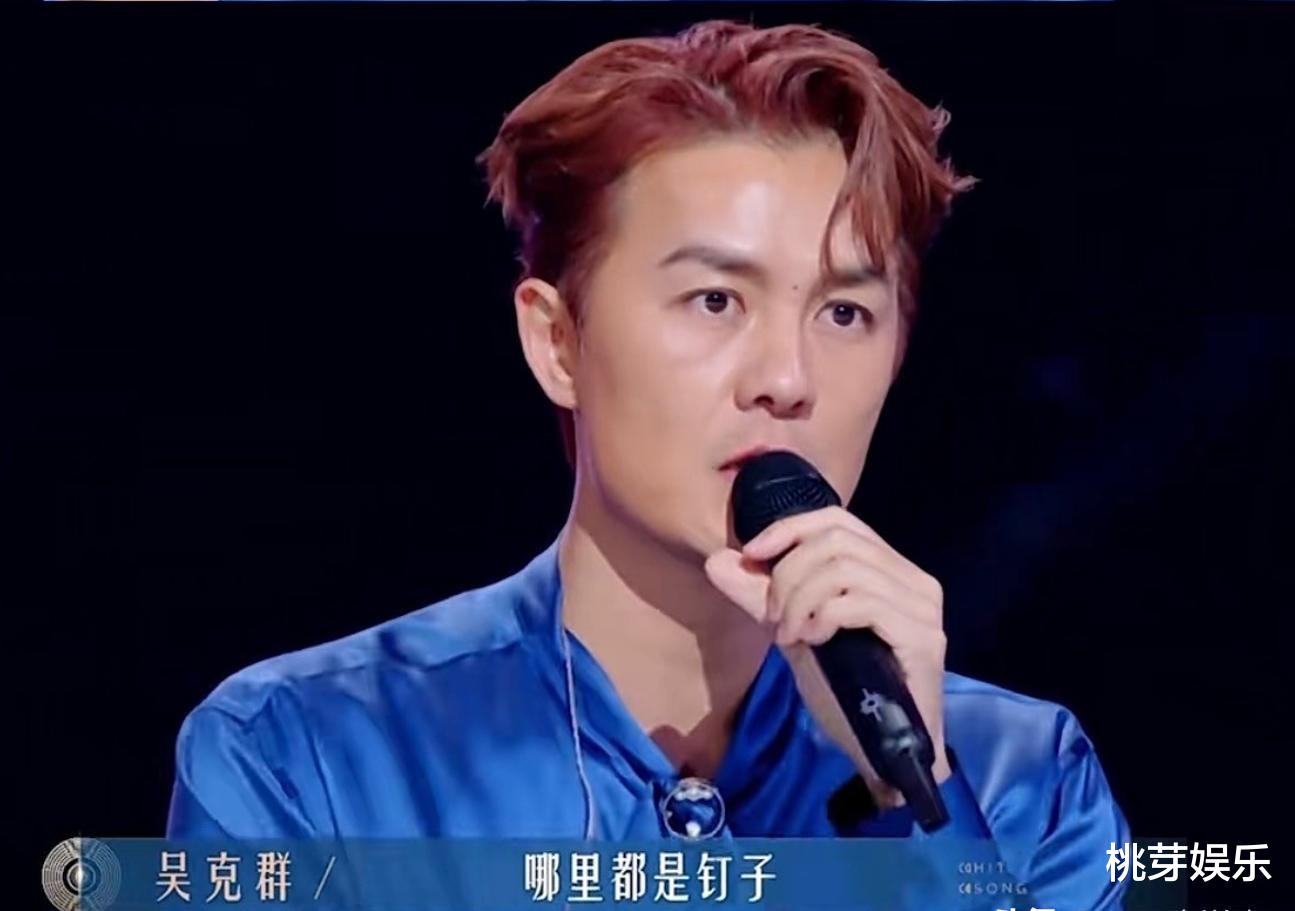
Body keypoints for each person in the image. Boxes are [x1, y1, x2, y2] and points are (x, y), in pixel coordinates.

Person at [167, 19, 1129, 910]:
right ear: (557, 341)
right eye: (715, 301)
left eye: (844, 313)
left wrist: (914, 802)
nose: (787, 379)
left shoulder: (1027, 784)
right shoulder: (308, 754)